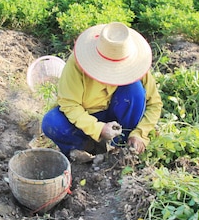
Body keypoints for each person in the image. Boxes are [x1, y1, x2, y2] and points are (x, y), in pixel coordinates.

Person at [41, 22, 162, 162]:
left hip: (118, 113)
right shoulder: (77, 64)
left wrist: (140, 134)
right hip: (85, 116)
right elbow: (69, 104)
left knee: (134, 89)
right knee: (52, 122)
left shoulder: (136, 66)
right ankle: (88, 147)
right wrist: (99, 129)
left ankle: (121, 148)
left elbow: (154, 104)